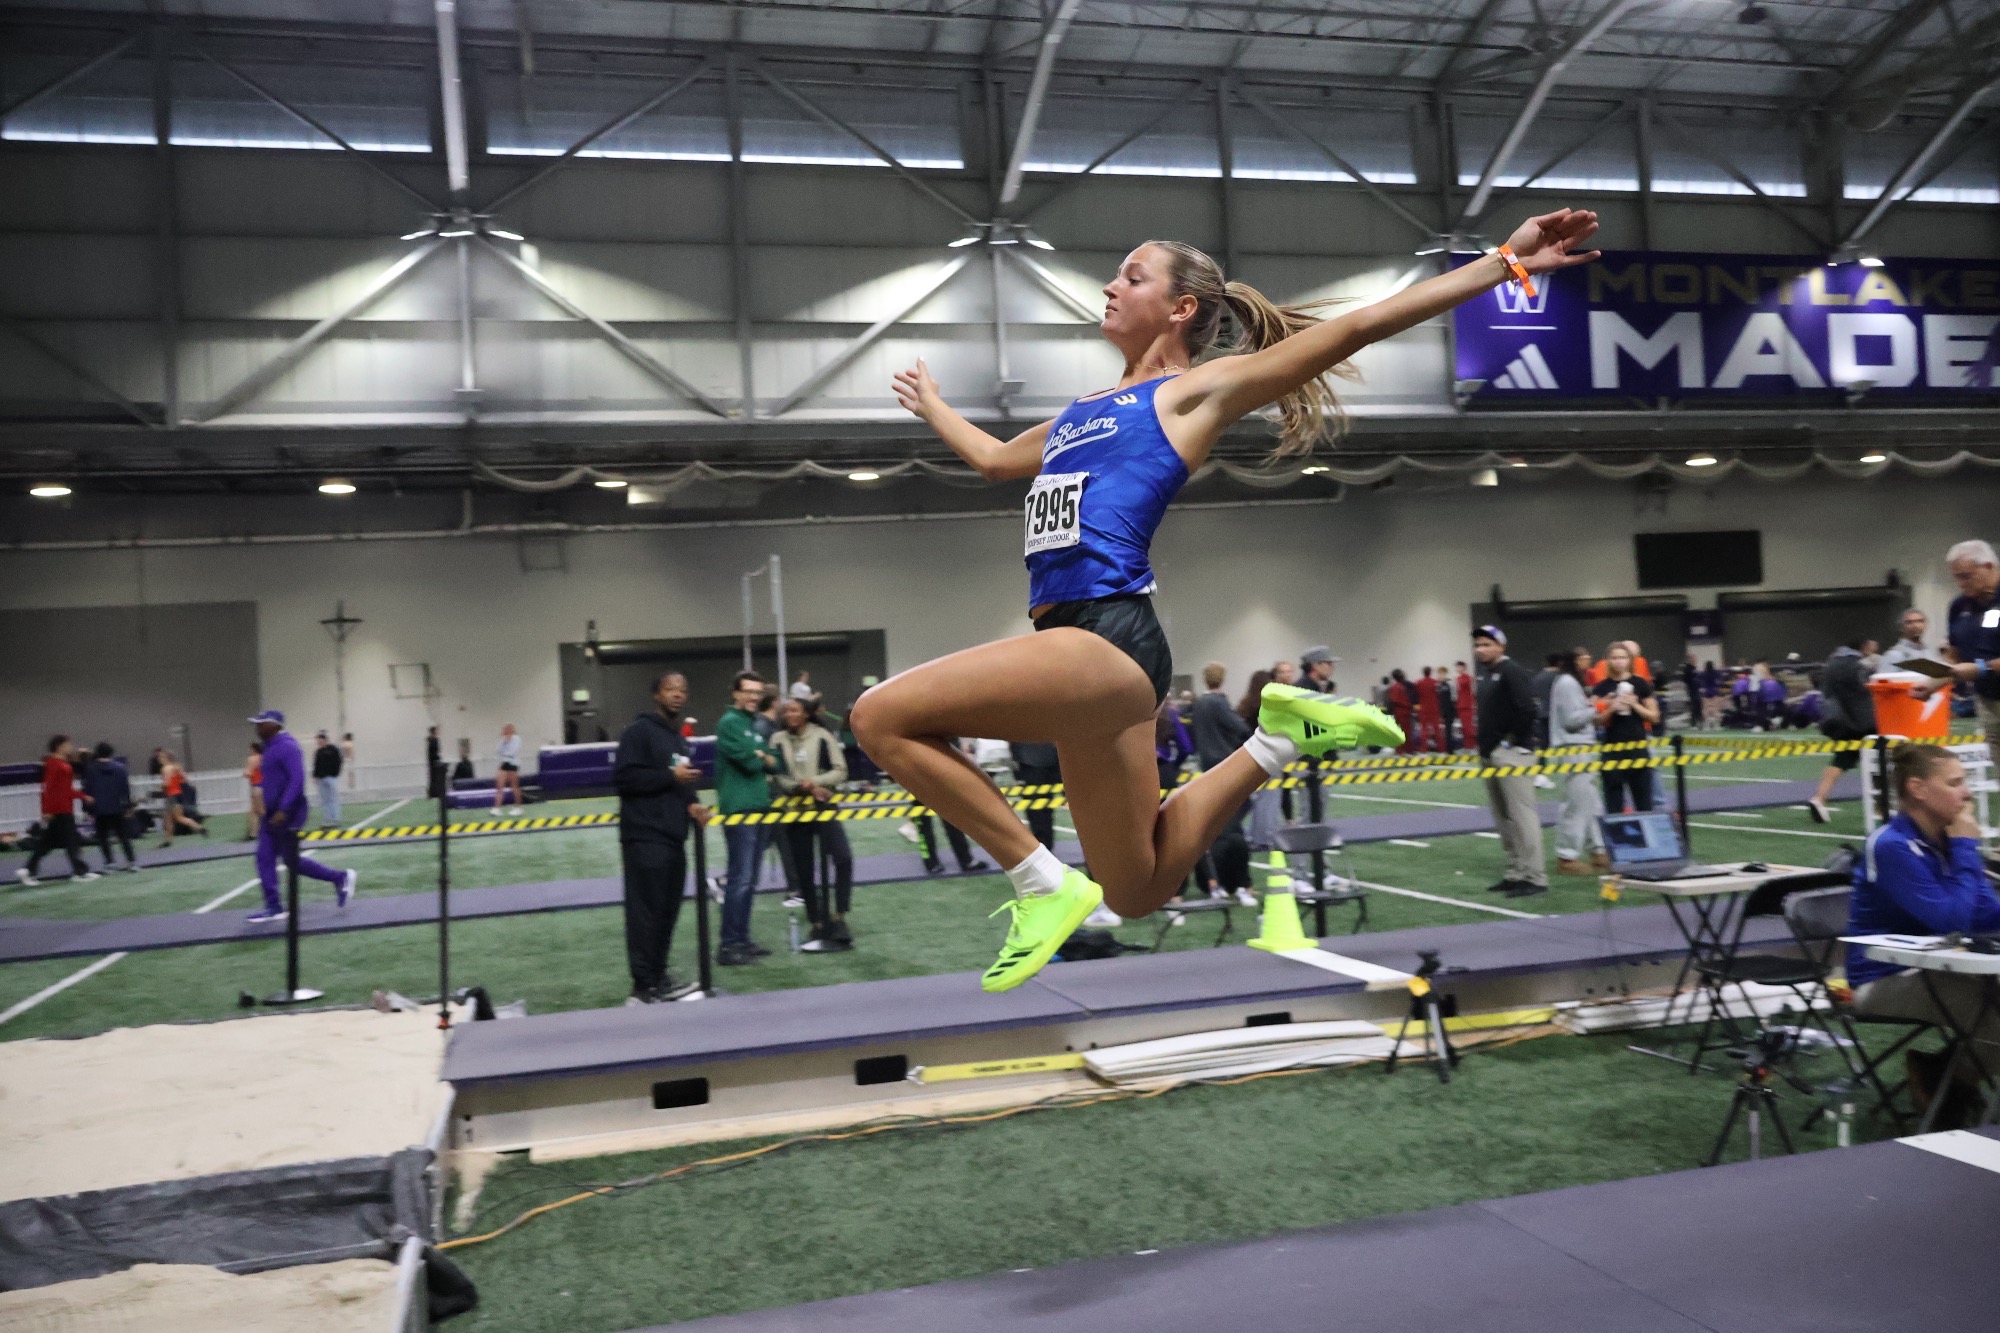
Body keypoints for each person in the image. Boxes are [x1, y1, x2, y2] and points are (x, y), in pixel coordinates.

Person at [858, 210, 1595, 991]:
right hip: (1077, 647)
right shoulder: (1078, 416)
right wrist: (933, 405)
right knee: (1136, 888)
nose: (1110, 285)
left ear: (1181, 309)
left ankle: (1040, 882)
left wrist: (1502, 264)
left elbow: (1358, 326)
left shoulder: (1190, 395)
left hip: (1106, 638)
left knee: (878, 716)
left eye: (1132, 276)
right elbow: (996, 461)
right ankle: (1275, 738)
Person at [1847, 744, 2000, 1100]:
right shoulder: (1892, 846)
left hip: (1941, 967)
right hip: (1883, 978)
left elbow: (1985, 914)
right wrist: (1964, 848)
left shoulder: (1944, 841)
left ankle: (1942, 1076)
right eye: (1955, 783)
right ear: (1918, 789)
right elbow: (1952, 921)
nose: (1966, 793)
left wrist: (1961, 850)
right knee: (1989, 1013)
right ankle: (1946, 1079)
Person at [613, 672, 707, 1003]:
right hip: (644, 836)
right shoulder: (638, 733)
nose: (678, 695)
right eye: (670, 690)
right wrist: (670, 776)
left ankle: (658, 977)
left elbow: (679, 785)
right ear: (656, 695)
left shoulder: (677, 739)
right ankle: (642, 986)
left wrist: (692, 805)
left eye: (682, 690)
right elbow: (625, 779)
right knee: (645, 913)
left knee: (666, 912)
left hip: (673, 837)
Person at [246, 709, 356, 924]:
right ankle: (275, 905)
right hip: (272, 814)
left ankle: (339, 878)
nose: (256, 728)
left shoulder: (287, 747)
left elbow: (297, 780)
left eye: (260, 724)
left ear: (274, 725)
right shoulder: (269, 749)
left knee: (283, 858)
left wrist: (284, 809)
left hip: (288, 813)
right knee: (271, 857)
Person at [771, 696, 856, 948]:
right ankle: (816, 921)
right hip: (796, 811)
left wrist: (817, 783)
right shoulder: (777, 741)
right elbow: (777, 776)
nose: (789, 715)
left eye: (794, 710)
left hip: (824, 808)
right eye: (786, 711)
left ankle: (839, 915)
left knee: (843, 858)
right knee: (804, 868)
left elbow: (841, 770)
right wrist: (802, 787)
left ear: (805, 714)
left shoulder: (822, 736)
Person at [1473, 627, 1547, 898]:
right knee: (1504, 818)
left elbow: (1528, 709)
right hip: (1491, 753)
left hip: (1512, 754)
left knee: (1522, 817)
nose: (1480, 649)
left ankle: (1536, 877)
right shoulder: (1487, 674)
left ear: (1500, 646)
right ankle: (1516, 872)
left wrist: (1510, 742)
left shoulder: (1511, 671)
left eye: (1486, 644)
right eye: (1478, 644)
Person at [714, 670, 778, 965]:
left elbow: (774, 763)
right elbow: (753, 764)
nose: (754, 697)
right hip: (740, 810)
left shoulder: (752, 723)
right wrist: (761, 756)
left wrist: (762, 756)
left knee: (749, 881)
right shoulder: (729, 724)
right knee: (740, 880)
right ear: (735, 694)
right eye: (749, 691)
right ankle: (728, 946)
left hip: (759, 808)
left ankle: (742, 940)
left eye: (758, 692)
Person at [1913, 541, 2000, 756]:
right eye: (1956, 577)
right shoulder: (1959, 607)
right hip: (1987, 702)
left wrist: (1980, 669)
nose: (1960, 583)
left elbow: (1973, 667)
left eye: (1966, 576)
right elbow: (1954, 657)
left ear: (1988, 566)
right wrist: (1934, 683)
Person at [1547, 653, 1607, 875]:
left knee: (1591, 803)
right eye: (1583, 657)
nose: (1589, 660)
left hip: (1581, 747)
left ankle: (1599, 851)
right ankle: (1567, 857)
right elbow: (1572, 720)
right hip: (1574, 748)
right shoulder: (1568, 683)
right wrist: (1597, 707)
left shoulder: (1570, 683)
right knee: (1576, 804)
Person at [17, 736, 99, 886]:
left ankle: (27, 870)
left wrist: (83, 796)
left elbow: (66, 788)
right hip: (59, 810)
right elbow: (47, 788)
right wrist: (46, 810)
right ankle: (80, 872)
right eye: (68, 745)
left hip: (63, 808)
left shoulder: (63, 762)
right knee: (71, 841)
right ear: (59, 746)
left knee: (47, 844)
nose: (70, 747)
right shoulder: (53, 763)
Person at [1811, 637, 1876, 824]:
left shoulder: (1830, 665)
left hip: (1840, 721)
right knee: (1880, 760)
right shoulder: (1858, 666)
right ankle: (1882, 804)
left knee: (1841, 759)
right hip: (1864, 721)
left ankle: (1820, 798)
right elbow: (1866, 690)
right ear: (1863, 646)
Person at [1592, 643, 1659, 813]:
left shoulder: (1641, 684)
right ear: (1608, 661)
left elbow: (1654, 716)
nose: (1618, 662)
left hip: (1638, 749)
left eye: (1623, 657)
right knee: (1614, 806)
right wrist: (1612, 708)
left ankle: (1645, 838)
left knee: (1644, 805)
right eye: (1614, 658)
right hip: (1612, 751)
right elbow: (1595, 720)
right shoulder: (1601, 688)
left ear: (1630, 660)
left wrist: (1635, 705)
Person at [81, 742, 139, 874]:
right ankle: (132, 862)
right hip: (117, 806)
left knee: (102, 837)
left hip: (99, 808)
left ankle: (110, 863)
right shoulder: (120, 768)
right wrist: (128, 806)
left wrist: (88, 809)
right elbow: (125, 789)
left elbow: (87, 790)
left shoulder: (90, 769)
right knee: (123, 836)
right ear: (111, 752)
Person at [1010, 740, 1063, 851]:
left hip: (1061, 751)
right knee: (1038, 814)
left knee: (1085, 809)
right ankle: (1044, 853)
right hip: (1031, 756)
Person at [156, 749, 204, 845]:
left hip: (171, 795)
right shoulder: (176, 767)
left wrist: (161, 786)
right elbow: (184, 779)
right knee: (170, 818)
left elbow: (167, 783)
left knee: (176, 818)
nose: (159, 759)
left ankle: (198, 828)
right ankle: (168, 840)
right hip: (179, 794)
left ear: (166, 758)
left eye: (161, 757)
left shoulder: (165, 769)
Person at [313, 730, 342, 827]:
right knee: (325, 800)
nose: (318, 741)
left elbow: (339, 761)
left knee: (333, 799)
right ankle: (327, 819)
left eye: (319, 739)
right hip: (321, 779)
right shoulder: (318, 752)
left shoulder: (333, 750)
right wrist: (315, 776)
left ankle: (335, 819)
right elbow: (316, 765)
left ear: (324, 739)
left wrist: (335, 773)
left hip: (331, 778)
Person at [494, 723, 523, 815]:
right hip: (504, 763)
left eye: (507, 729)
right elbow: (498, 750)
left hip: (513, 763)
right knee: (499, 786)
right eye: (504, 730)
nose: (505, 732)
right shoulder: (503, 740)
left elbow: (513, 751)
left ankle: (518, 807)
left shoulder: (517, 739)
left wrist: (507, 746)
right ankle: (497, 808)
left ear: (511, 730)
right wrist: (504, 741)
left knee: (514, 785)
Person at [1413, 666, 1444, 753]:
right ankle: (1441, 750)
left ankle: (1424, 750)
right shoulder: (1435, 682)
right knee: (1437, 730)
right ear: (1430, 672)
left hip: (1423, 709)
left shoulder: (1419, 683)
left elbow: (1416, 694)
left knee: (1424, 731)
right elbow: (1439, 695)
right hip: (1434, 708)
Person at [1385, 668, 1414, 755]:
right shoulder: (1397, 687)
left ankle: (1405, 750)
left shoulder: (1400, 687)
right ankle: (1402, 750)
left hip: (1403, 712)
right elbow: (1395, 700)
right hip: (1401, 713)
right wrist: (1407, 705)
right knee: (1404, 732)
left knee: (1405, 732)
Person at [1454, 660, 1477, 754]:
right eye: (1457, 667)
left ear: (1464, 668)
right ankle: (1467, 746)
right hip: (1460, 705)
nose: (1458, 669)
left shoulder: (1467, 678)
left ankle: (1473, 746)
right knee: (1463, 727)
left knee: (1469, 727)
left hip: (1467, 705)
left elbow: (1468, 688)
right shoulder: (1458, 679)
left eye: (1460, 667)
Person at [244, 741, 265, 825]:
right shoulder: (263, 758)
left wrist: (247, 772)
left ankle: (270, 829)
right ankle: (252, 832)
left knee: (259, 810)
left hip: (256, 785)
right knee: (254, 810)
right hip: (263, 784)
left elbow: (247, 773)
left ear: (254, 749)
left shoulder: (252, 759)